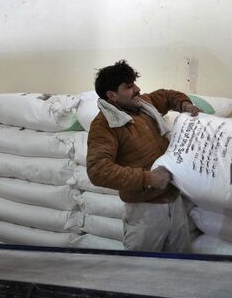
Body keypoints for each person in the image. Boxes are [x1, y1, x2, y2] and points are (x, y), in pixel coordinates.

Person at [86, 60, 201, 252]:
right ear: (112, 95)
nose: (137, 89)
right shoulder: (104, 126)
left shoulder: (143, 105)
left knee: (181, 268)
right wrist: (148, 178)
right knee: (141, 271)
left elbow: (167, 96)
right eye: (129, 86)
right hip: (145, 211)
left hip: (174, 200)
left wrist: (185, 105)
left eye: (134, 83)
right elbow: (98, 170)